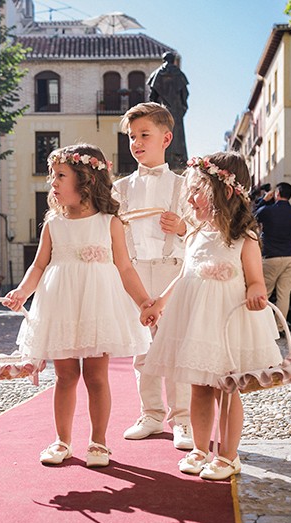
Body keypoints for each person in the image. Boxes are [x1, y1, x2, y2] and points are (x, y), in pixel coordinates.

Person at [3, 143, 151, 468]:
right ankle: (62, 441)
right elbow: (39, 266)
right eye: (51, 175)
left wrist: (144, 302)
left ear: (85, 180)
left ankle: (98, 442)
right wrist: (22, 291)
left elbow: (125, 268)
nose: (52, 183)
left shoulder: (109, 222)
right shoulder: (53, 224)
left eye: (60, 175)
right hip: (61, 304)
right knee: (65, 376)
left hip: (97, 304)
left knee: (97, 377)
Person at [141, 152, 283, 481]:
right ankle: (200, 448)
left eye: (197, 190)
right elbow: (185, 275)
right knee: (199, 389)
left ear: (226, 191)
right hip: (196, 323)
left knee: (227, 389)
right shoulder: (193, 234)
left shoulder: (243, 238)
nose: (189, 198)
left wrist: (255, 291)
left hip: (228, 323)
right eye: (189, 191)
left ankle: (228, 456)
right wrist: (160, 301)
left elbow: (256, 278)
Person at [113, 102, 193, 450]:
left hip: (172, 273)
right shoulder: (121, 188)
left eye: (144, 134)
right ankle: (151, 414)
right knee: (142, 349)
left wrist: (181, 226)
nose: (137, 142)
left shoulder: (185, 185)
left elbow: (202, 234)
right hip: (134, 276)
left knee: (174, 346)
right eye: (132, 136)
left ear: (166, 138)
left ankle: (184, 420)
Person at [253, 182, 291, 330]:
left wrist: (264, 200)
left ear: (277, 194)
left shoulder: (267, 211)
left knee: (264, 293)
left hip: (271, 257)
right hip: (290, 258)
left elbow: (253, 215)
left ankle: (260, 327)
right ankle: (280, 327)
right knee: (284, 295)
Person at [147, 52, 189, 169]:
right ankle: (178, 159)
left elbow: (152, 95)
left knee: (162, 132)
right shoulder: (179, 75)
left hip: (162, 108)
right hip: (176, 108)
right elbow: (185, 93)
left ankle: (165, 157)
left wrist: (154, 109)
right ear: (173, 60)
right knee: (177, 133)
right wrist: (183, 107)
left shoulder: (157, 74)